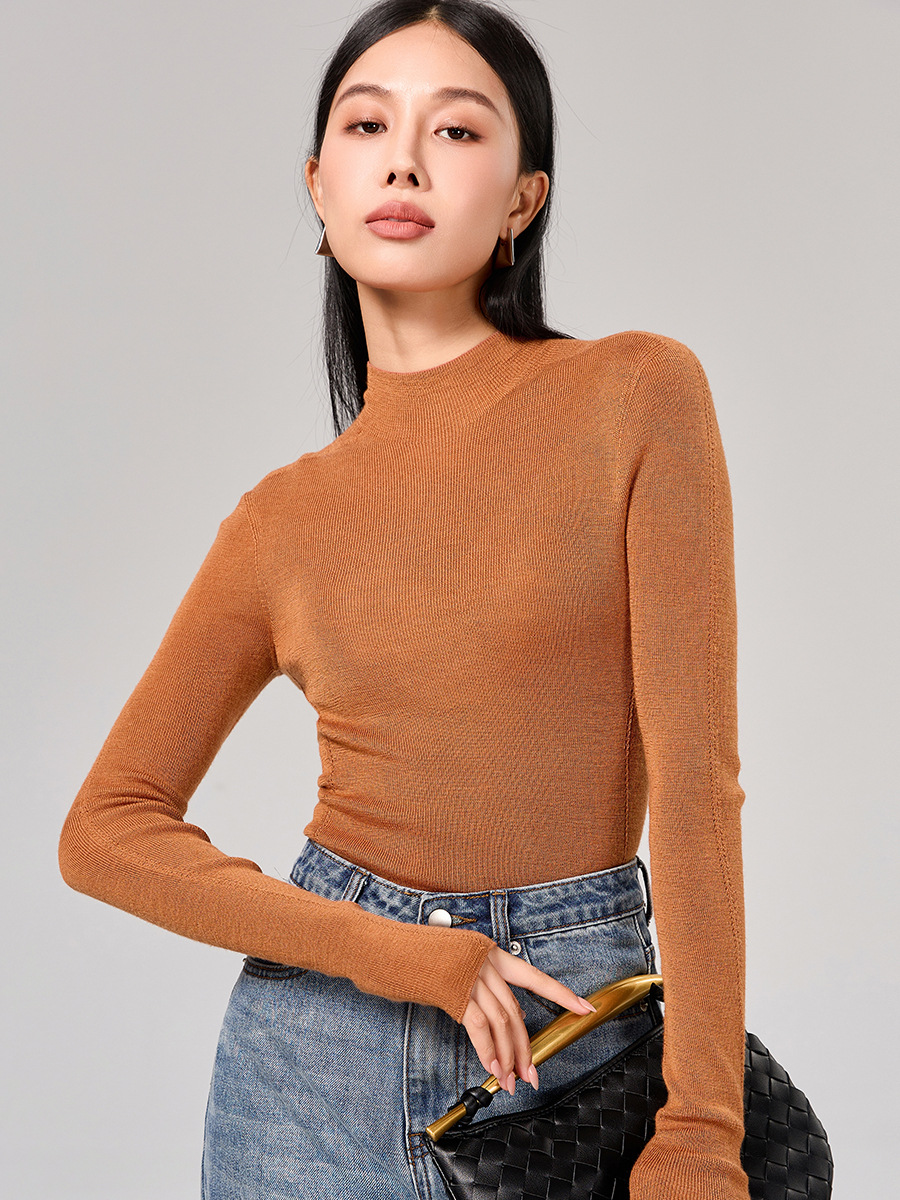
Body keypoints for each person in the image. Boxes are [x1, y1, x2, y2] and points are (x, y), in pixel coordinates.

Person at [58, 2, 751, 1197]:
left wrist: (701, 1134)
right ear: (319, 188)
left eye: (458, 130)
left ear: (523, 198)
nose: (405, 161)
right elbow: (105, 829)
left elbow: (697, 790)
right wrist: (390, 951)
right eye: (368, 125)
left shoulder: (636, 395)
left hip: (569, 1036)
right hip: (307, 1073)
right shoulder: (284, 518)